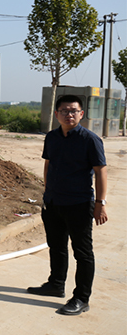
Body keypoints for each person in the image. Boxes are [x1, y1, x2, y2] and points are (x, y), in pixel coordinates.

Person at [27, 95, 108, 316]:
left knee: (82, 252)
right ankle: (56, 284)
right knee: (56, 246)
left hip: (79, 204)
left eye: (73, 111)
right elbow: (48, 164)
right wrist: (47, 193)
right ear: (56, 114)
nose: (69, 115)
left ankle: (82, 298)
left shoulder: (90, 140)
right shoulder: (52, 137)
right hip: (53, 202)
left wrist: (100, 203)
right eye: (64, 111)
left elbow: (101, 172)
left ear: (81, 114)